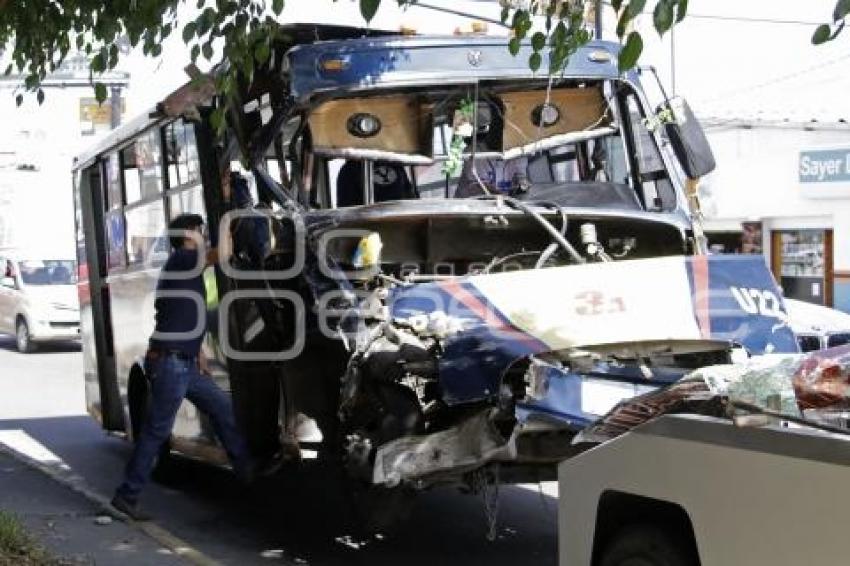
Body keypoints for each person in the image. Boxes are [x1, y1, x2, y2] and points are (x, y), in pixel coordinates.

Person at [111, 213, 253, 520]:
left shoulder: (185, 267)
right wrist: (227, 217)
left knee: (223, 409)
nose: (203, 234)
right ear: (188, 235)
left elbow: (182, 312)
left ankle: (249, 478)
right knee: (156, 432)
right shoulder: (182, 259)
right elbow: (223, 255)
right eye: (200, 230)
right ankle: (127, 494)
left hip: (183, 362)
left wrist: (198, 349)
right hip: (170, 364)